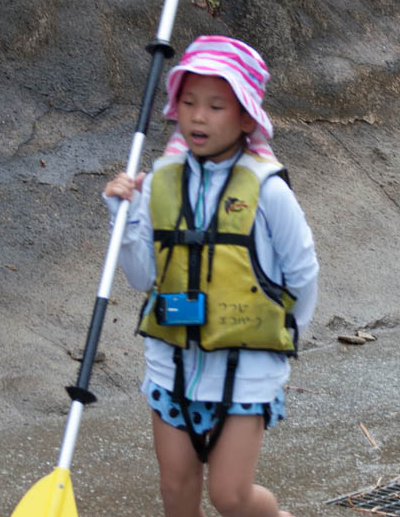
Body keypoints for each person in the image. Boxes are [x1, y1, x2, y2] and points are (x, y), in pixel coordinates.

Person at [103, 35, 319, 517]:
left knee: (230, 497)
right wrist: (126, 217)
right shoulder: (159, 180)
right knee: (177, 495)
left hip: (247, 372)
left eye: (216, 105)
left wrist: (284, 336)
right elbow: (142, 278)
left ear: (246, 117)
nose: (198, 116)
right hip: (171, 363)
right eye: (189, 102)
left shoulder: (268, 189)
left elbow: (303, 274)